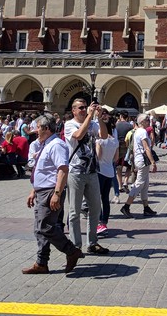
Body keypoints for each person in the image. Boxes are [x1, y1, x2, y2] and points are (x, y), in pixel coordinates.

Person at [22, 115, 84, 275]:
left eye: (38, 127)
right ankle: (41, 263)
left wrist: (57, 194)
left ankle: (71, 251)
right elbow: (43, 170)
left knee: (45, 227)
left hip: (50, 192)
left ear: (47, 129)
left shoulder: (56, 145)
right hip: (42, 191)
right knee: (39, 229)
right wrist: (34, 190)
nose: (35, 130)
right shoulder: (46, 144)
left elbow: (63, 170)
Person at [64, 98, 109, 255]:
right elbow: (78, 135)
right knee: (75, 211)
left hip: (92, 171)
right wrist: (90, 116)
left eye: (85, 107)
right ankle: (76, 246)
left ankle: (92, 243)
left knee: (95, 209)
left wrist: (99, 117)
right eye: (81, 108)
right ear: (73, 110)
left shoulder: (93, 123)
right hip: (76, 172)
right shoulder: (69, 124)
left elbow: (104, 135)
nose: (84, 110)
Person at [120, 114, 158, 219]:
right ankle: (126, 206)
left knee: (145, 184)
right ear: (141, 122)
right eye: (147, 119)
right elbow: (146, 148)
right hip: (143, 160)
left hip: (140, 159)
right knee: (139, 183)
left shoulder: (137, 131)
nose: (149, 121)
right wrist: (153, 162)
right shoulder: (142, 132)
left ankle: (146, 208)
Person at [95, 114, 119, 236]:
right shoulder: (115, 141)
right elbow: (116, 158)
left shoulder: (100, 140)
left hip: (100, 171)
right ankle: (104, 222)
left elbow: (98, 156)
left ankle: (99, 222)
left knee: (97, 198)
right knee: (105, 198)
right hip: (110, 171)